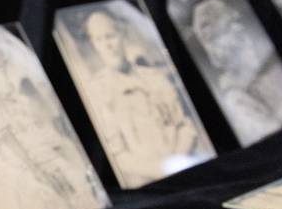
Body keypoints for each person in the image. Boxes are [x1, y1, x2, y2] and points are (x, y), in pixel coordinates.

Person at [0, 37, 106, 209]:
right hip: (25, 177)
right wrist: (26, 176)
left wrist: (58, 158)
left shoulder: (24, 94)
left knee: (84, 196)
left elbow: (53, 130)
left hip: (53, 160)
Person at [82, 10, 211, 186]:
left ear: (122, 35)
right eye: (99, 40)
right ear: (94, 45)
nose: (107, 45)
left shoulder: (155, 77)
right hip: (149, 183)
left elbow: (185, 125)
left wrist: (176, 164)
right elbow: (117, 154)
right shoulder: (96, 91)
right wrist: (161, 170)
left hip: (186, 166)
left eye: (110, 36)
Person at [190, 0, 282, 144]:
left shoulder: (267, 63)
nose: (239, 28)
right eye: (228, 26)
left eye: (236, 20)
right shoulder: (236, 99)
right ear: (213, 46)